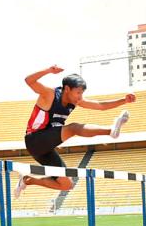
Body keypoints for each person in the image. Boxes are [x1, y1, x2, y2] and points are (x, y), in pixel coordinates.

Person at [15, 65, 135, 198]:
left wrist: (124, 101)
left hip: (45, 149)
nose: (80, 97)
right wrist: (48, 71)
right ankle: (110, 131)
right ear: (67, 89)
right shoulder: (50, 94)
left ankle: (27, 180)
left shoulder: (76, 101)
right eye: (78, 92)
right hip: (34, 139)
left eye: (82, 93)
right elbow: (28, 81)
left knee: (67, 185)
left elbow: (100, 106)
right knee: (73, 128)